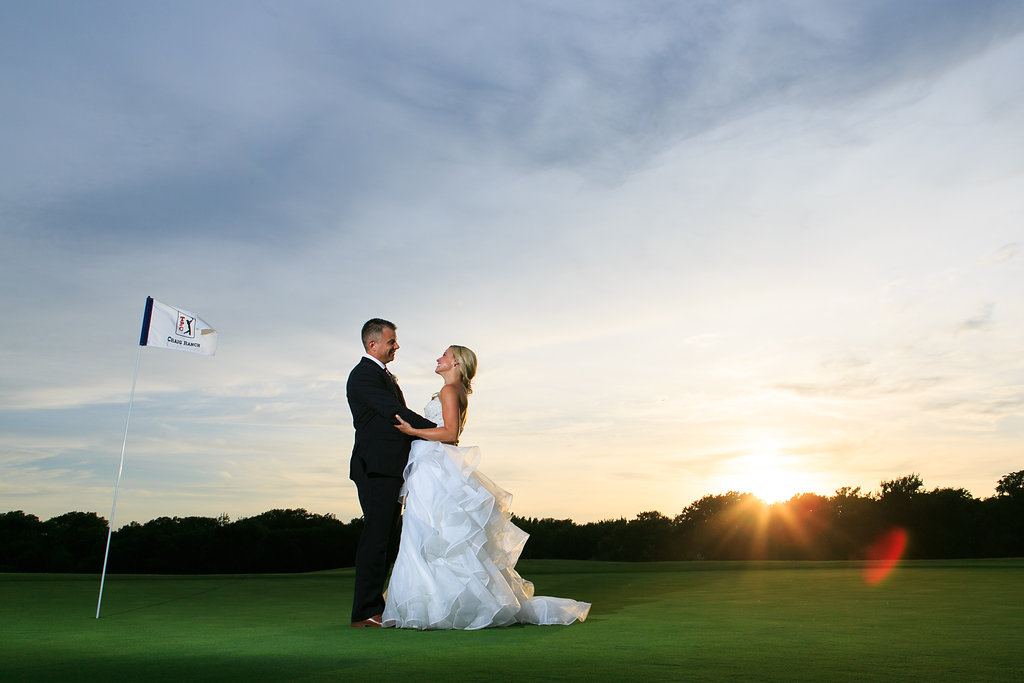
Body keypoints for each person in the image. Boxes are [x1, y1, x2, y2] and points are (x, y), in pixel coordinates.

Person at [382, 345, 591, 629]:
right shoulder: (455, 391)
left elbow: (450, 433)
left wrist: (412, 431)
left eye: (443, 355)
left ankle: (432, 607)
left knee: (428, 535)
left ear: (455, 362)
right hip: (434, 466)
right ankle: (440, 605)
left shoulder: (449, 391)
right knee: (435, 535)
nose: (438, 359)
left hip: (436, 468)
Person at [346, 318, 436, 628]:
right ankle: (364, 612)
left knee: (388, 537)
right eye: (391, 341)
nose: (396, 346)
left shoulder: (381, 374)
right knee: (377, 538)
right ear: (373, 345)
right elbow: (397, 415)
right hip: (375, 467)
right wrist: (441, 432)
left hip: (390, 467)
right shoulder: (363, 376)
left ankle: (377, 604)